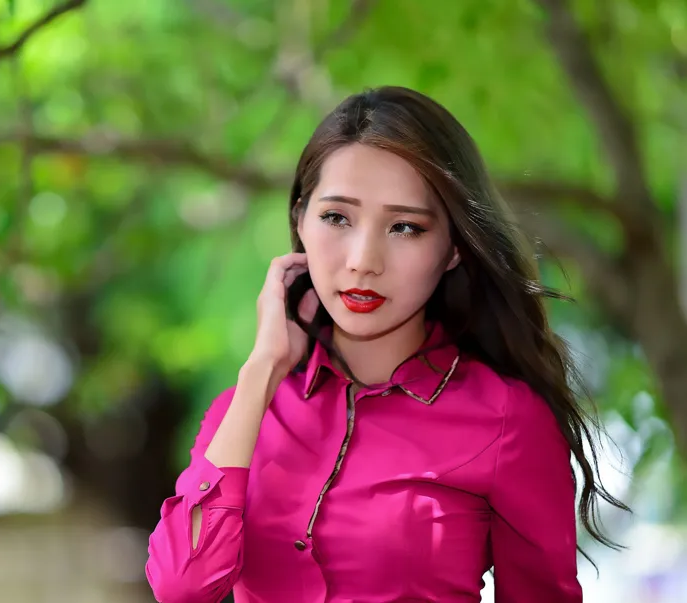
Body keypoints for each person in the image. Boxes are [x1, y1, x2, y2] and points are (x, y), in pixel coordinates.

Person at [144, 86, 628, 603]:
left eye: (404, 227)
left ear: (453, 250)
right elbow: (182, 585)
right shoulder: (243, 411)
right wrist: (262, 368)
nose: (362, 260)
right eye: (337, 218)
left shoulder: (508, 419)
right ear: (300, 221)